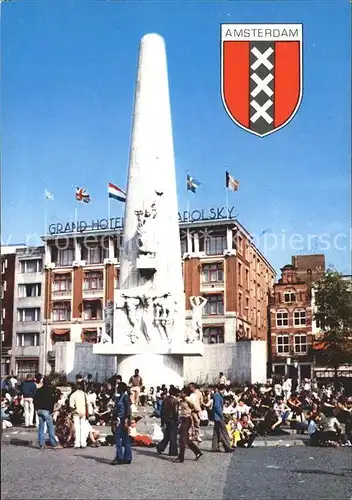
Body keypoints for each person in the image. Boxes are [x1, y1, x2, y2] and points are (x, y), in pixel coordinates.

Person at [174, 386, 202, 463]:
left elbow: (196, 407)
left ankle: (181, 457)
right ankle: (198, 452)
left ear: (185, 393)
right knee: (186, 439)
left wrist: (189, 411)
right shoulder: (181, 400)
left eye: (182, 392)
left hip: (187, 419)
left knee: (182, 440)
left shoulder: (187, 399)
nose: (180, 393)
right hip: (183, 419)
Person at [33, 376, 61, 449]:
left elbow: (34, 400)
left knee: (41, 427)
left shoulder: (38, 390)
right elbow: (54, 400)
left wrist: (36, 408)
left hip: (39, 410)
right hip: (47, 410)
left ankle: (41, 443)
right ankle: (53, 442)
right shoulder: (51, 390)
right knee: (50, 427)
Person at [111, 382, 132, 465]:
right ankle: (127, 457)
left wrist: (127, 421)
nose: (117, 389)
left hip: (123, 420)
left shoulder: (125, 397)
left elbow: (128, 410)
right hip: (120, 419)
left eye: (118, 388)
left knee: (118, 438)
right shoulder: (119, 397)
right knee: (125, 438)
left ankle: (120, 457)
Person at [157, 386, 179, 457]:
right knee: (173, 436)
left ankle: (161, 446)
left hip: (166, 419)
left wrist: (162, 421)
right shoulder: (175, 401)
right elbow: (175, 412)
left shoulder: (165, 400)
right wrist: (177, 420)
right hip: (173, 419)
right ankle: (173, 451)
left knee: (168, 435)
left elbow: (162, 412)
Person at [211, 385, 233, 453]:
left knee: (216, 431)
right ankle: (227, 446)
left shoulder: (216, 395)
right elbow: (217, 406)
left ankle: (214, 447)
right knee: (224, 431)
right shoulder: (217, 395)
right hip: (219, 416)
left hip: (216, 416)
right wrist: (221, 414)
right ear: (223, 389)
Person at [69, 381, 88, 449]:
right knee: (83, 428)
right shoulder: (85, 394)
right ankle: (83, 443)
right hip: (83, 412)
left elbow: (71, 405)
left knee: (77, 428)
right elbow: (87, 404)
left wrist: (74, 409)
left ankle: (77, 443)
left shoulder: (73, 395)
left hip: (76, 412)